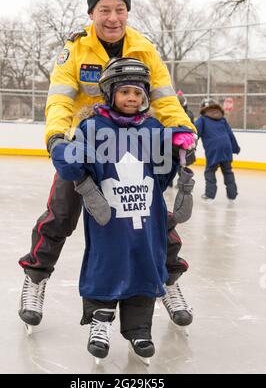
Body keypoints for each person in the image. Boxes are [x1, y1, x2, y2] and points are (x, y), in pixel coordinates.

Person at [18, 0, 196, 329]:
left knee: (151, 215)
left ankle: (169, 281)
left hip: (135, 147)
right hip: (85, 148)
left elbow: (164, 98)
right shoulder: (75, 50)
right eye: (104, 10)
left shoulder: (145, 49)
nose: (113, 17)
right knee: (61, 214)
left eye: (119, 9)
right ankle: (35, 280)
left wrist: (183, 132)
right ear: (92, 14)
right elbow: (60, 99)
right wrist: (57, 137)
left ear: (127, 12)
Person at [51, 57, 195, 361]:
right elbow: (75, 166)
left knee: (146, 262)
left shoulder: (154, 128)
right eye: (125, 92)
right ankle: (99, 323)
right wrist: (66, 152)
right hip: (110, 220)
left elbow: (162, 177)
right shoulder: (92, 127)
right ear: (110, 93)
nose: (132, 98)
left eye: (138, 93)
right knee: (107, 263)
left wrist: (180, 150)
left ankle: (140, 329)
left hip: (145, 215)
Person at [195, 98, 240, 200]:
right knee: (227, 170)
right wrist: (235, 148)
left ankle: (209, 195)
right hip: (226, 147)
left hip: (213, 149)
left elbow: (195, 133)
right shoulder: (222, 119)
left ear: (203, 108)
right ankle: (232, 195)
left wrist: (189, 145)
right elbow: (230, 135)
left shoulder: (202, 119)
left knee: (210, 171)